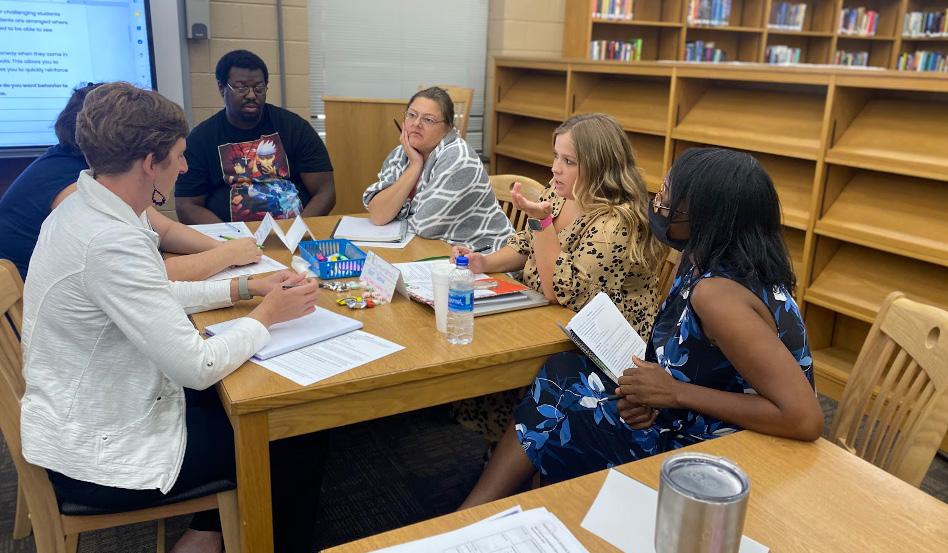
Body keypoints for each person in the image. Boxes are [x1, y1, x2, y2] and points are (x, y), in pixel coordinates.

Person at [20, 83, 325, 553]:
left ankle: (206, 533)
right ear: (150, 162)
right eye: (180, 156)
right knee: (295, 432)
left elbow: (153, 293)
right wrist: (268, 314)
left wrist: (244, 288)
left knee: (242, 405)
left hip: (86, 407)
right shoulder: (108, 239)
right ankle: (219, 536)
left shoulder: (89, 205)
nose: (184, 167)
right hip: (97, 451)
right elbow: (197, 367)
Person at [459, 147, 824, 509]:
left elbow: (803, 418)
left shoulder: (719, 296)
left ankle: (477, 512)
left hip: (724, 455)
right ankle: (511, 503)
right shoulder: (709, 261)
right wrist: (652, 399)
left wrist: (675, 394)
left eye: (669, 199)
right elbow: (708, 370)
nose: (658, 204)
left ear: (707, 218)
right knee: (564, 370)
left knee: (555, 402)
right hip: (691, 416)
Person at [450, 113, 665, 443]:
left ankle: (521, 450)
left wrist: (542, 223)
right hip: (550, 323)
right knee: (479, 342)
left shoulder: (616, 223)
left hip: (600, 352)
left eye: (568, 161)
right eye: (556, 156)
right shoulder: (559, 193)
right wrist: (484, 262)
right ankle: (505, 446)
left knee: (494, 355)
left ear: (599, 167)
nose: (555, 169)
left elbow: (560, 291)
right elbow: (526, 244)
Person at [0, 83, 262, 281]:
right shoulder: (75, 189)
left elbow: (164, 230)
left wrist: (225, 248)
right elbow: (146, 275)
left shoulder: (96, 171)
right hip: (24, 301)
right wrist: (226, 255)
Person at [175, 49, 334, 223]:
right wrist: (229, 235)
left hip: (294, 230)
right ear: (222, 88)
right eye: (241, 87)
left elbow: (325, 191)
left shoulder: (294, 128)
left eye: (259, 87)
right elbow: (186, 205)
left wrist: (298, 230)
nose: (251, 95)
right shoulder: (201, 139)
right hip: (230, 235)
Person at [363, 87, 513, 251]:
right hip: (439, 249)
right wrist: (415, 166)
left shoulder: (458, 157)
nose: (416, 123)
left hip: (487, 253)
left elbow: (425, 226)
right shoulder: (401, 154)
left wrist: (394, 211)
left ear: (448, 128)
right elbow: (378, 215)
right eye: (412, 115)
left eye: (428, 120)